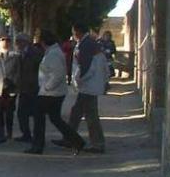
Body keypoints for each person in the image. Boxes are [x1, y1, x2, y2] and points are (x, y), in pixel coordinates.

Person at [25, 30, 85, 155]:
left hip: (50, 93)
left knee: (39, 118)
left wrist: (47, 87)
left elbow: (57, 74)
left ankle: (38, 145)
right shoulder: (54, 52)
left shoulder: (53, 54)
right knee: (55, 119)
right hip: (53, 92)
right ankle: (77, 141)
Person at [54, 23, 106, 153]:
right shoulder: (89, 43)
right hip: (90, 86)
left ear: (77, 32)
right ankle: (70, 138)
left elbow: (85, 67)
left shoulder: (85, 45)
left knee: (89, 116)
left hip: (88, 86)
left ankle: (97, 144)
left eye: (73, 32)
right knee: (78, 113)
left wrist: (78, 81)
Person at [0, 35, 20, 139]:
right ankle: (0, 133)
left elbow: (18, 71)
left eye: (7, 40)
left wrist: (14, 82)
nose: (5, 42)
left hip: (11, 89)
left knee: (9, 113)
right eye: (2, 40)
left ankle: (9, 133)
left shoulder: (16, 56)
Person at [14, 33, 42, 142]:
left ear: (23, 42)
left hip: (33, 87)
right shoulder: (21, 53)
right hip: (24, 87)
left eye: (18, 42)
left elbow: (38, 67)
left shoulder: (34, 52)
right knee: (21, 113)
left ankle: (35, 135)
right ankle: (26, 134)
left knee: (35, 113)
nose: (16, 44)